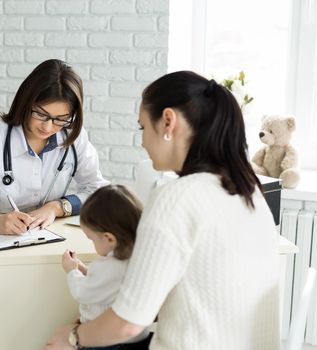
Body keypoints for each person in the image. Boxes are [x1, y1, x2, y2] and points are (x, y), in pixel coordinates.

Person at [45, 71, 280, 349]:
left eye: (142, 127)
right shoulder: (249, 191)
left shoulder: (176, 197)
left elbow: (128, 323)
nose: (142, 141)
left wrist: (71, 338)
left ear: (168, 121)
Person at [0, 59, 109, 235]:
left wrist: (57, 207)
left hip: (52, 238)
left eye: (60, 119)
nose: (48, 127)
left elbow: (99, 192)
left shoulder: (74, 138)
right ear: (26, 102)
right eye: (41, 114)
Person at [61, 184, 151, 350]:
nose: (92, 244)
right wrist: (83, 269)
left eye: (92, 239)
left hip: (107, 342)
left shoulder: (109, 265)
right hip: (138, 338)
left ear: (109, 239)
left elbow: (84, 292)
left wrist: (71, 270)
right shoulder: (140, 258)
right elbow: (109, 285)